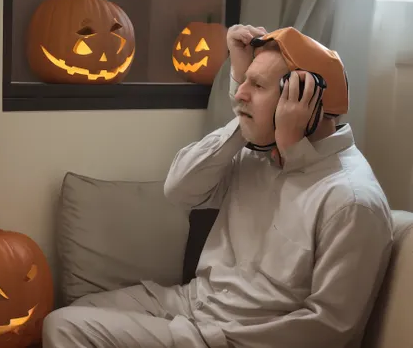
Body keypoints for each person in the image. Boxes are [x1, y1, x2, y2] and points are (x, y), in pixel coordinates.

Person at [43, 25, 393, 348]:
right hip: (192, 303)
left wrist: (214, 338)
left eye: (256, 86)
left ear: (304, 99)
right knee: (81, 307)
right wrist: (248, 117)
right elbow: (179, 189)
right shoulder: (258, 155)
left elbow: (330, 329)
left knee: (65, 327)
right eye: (244, 82)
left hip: (230, 336)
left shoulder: (351, 200)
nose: (239, 93)